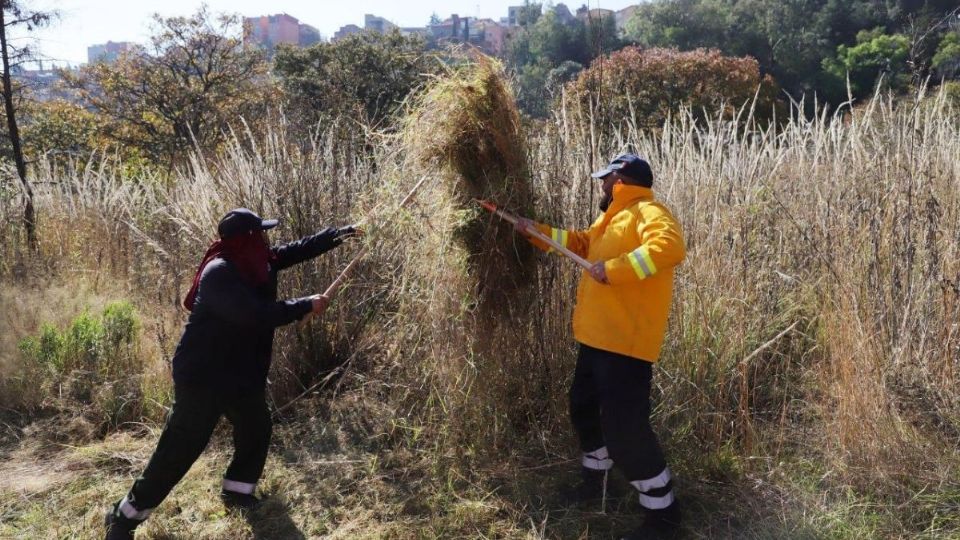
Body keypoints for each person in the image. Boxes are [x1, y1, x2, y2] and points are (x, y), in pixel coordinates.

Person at [104, 208, 359, 540]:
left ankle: (237, 492)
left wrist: (345, 233)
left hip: (238, 373)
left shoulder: (256, 261)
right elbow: (252, 315)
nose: (268, 240)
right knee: (179, 450)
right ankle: (123, 519)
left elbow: (298, 249)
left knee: (256, 428)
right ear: (247, 239)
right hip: (204, 376)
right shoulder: (219, 273)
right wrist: (303, 305)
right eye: (261, 234)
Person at [514, 154, 686, 539]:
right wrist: (536, 232)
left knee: (626, 431)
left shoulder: (648, 211)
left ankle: (664, 514)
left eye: (604, 180)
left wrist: (615, 270)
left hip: (625, 344)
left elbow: (671, 248)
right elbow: (581, 243)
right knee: (584, 410)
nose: (600, 186)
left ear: (620, 181)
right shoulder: (611, 219)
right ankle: (596, 485)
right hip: (594, 338)